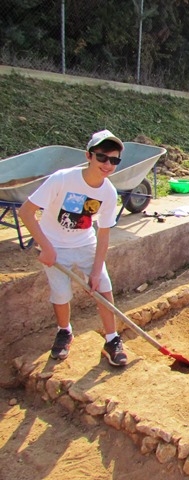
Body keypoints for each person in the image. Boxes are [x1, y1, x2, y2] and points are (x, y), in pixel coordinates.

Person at [18, 130, 128, 366]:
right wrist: (46, 247)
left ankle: (112, 340)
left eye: (114, 160)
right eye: (102, 157)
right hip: (54, 244)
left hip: (85, 243)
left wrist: (96, 271)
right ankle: (64, 331)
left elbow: (104, 233)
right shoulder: (62, 179)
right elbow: (26, 212)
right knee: (60, 293)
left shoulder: (108, 192)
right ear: (89, 156)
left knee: (104, 287)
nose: (107, 165)